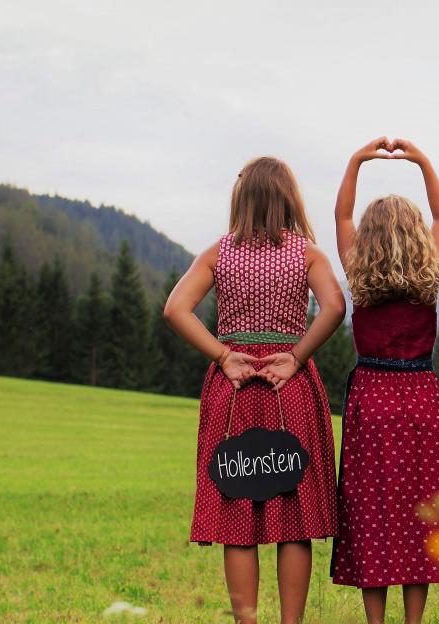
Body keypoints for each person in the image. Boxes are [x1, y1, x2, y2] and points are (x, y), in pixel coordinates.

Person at [163, 156, 345, 624]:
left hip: (234, 389)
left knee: (237, 512)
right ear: (289, 198)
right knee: (295, 515)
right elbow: (334, 306)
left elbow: (176, 308)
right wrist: (298, 354)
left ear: (241, 200)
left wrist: (223, 356)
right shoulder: (306, 253)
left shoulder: (218, 253)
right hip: (291, 386)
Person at [328, 137, 439, 623]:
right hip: (421, 396)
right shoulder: (431, 271)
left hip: (372, 396)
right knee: (420, 513)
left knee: (373, 513)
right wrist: (423, 161)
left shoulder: (358, 269)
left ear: (368, 236)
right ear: (417, 236)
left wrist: (356, 162)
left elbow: (342, 218)